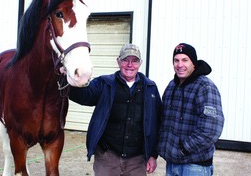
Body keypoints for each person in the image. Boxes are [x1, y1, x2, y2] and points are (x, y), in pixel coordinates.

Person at [69, 43, 162, 176]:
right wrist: (67, 78)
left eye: (134, 61)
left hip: (136, 162)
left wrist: (153, 155)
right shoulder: (104, 84)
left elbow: (156, 124)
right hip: (107, 159)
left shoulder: (150, 88)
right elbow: (84, 96)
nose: (130, 65)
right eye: (125, 60)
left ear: (140, 63)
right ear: (118, 61)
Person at [157, 43, 224, 176]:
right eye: (176, 60)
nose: (180, 64)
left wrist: (184, 148)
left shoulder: (205, 87)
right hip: (172, 164)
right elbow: (163, 120)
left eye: (185, 60)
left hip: (194, 167)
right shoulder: (172, 86)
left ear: (193, 63)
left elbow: (211, 129)